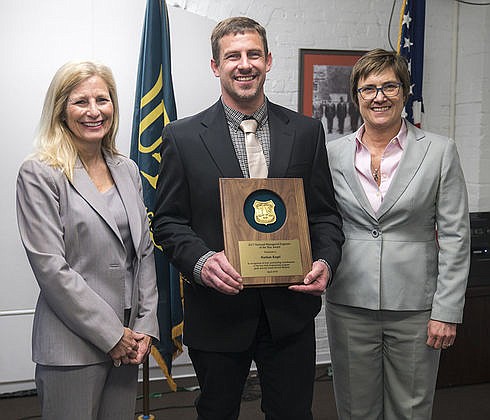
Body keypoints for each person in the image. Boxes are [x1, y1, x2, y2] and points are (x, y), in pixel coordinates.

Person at [153, 16, 344, 420]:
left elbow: (325, 215)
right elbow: (167, 221)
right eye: (233, 56)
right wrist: (202, 263)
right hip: (218, 310)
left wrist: (325, 261)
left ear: (268, 60)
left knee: (293, 414)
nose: (245, 64)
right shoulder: (182, 138)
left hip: (289, 313)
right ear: (215, 66)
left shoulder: (307, 132)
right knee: (218, 413)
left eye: (254, 54)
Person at [325, 48, 470, 419]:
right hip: (349, 303)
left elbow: (455, 236)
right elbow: (323, 223)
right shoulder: (332, 154)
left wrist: (447, 310)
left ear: (404, 92)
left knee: (411, 410)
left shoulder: (439, 152)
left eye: (389, 86)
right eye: (369, 88)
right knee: (355, 410)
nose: (379, 97)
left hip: (416, 309)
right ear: (357, 96)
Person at [16, 61, 159, 419]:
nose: (94, 111)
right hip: (73, 346)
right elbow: (52, 270)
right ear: (61, 110)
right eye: (81, 102)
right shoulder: (39, 173)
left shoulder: (126, 168)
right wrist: (113, 336)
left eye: (103, 99)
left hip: (129, 342)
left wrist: (143, 327)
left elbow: (143, 252)